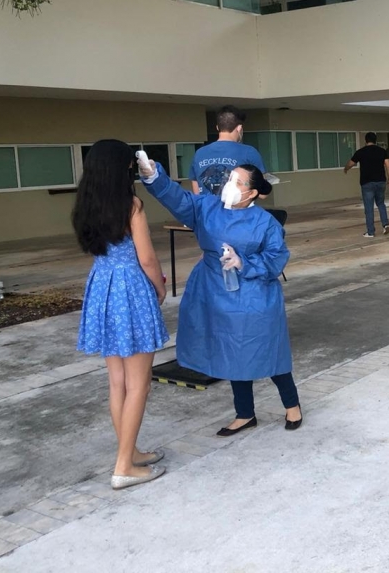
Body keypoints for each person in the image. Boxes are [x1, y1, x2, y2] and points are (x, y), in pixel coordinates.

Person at [137, 157, 302, 437]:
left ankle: (292, 405)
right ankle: (245, 413)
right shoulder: (207, 207)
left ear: (252, 193)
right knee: (231, 352)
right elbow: (177, 199)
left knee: (266, 349)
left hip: (253, 295)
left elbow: (276, 258)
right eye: (229, 179)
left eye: (238, 182)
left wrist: (243, 262)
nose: (229, 185)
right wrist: (154, 176)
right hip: (213, 289)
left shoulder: (265, 222)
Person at [72, 140, 169, 490]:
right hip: (130, 289)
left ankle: (130, 453)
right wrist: (159, 286)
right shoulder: (131, 204)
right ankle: (124, 465)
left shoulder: (87, 204)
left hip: (102, 287)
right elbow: (147, 258)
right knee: (139, 383)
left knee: (117, 382)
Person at [190, 105, 267, 197]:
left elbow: (197, 194)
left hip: (206, 206)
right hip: (237, 206)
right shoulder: (249, 152)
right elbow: (263, 194)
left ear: (217, 127)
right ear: (239, 128)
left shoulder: (199, 153)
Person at [344, 132, 389, 238]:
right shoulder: (382, 151)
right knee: (381, 203)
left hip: (367, 183)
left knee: (369, 208)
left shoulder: (361, 152)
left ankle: (370, 232)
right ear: (375, 140)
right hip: (381, 182)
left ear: (366, 140)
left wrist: (346, 168)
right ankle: (385, 224)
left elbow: (351, 163)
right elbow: (388, 166)